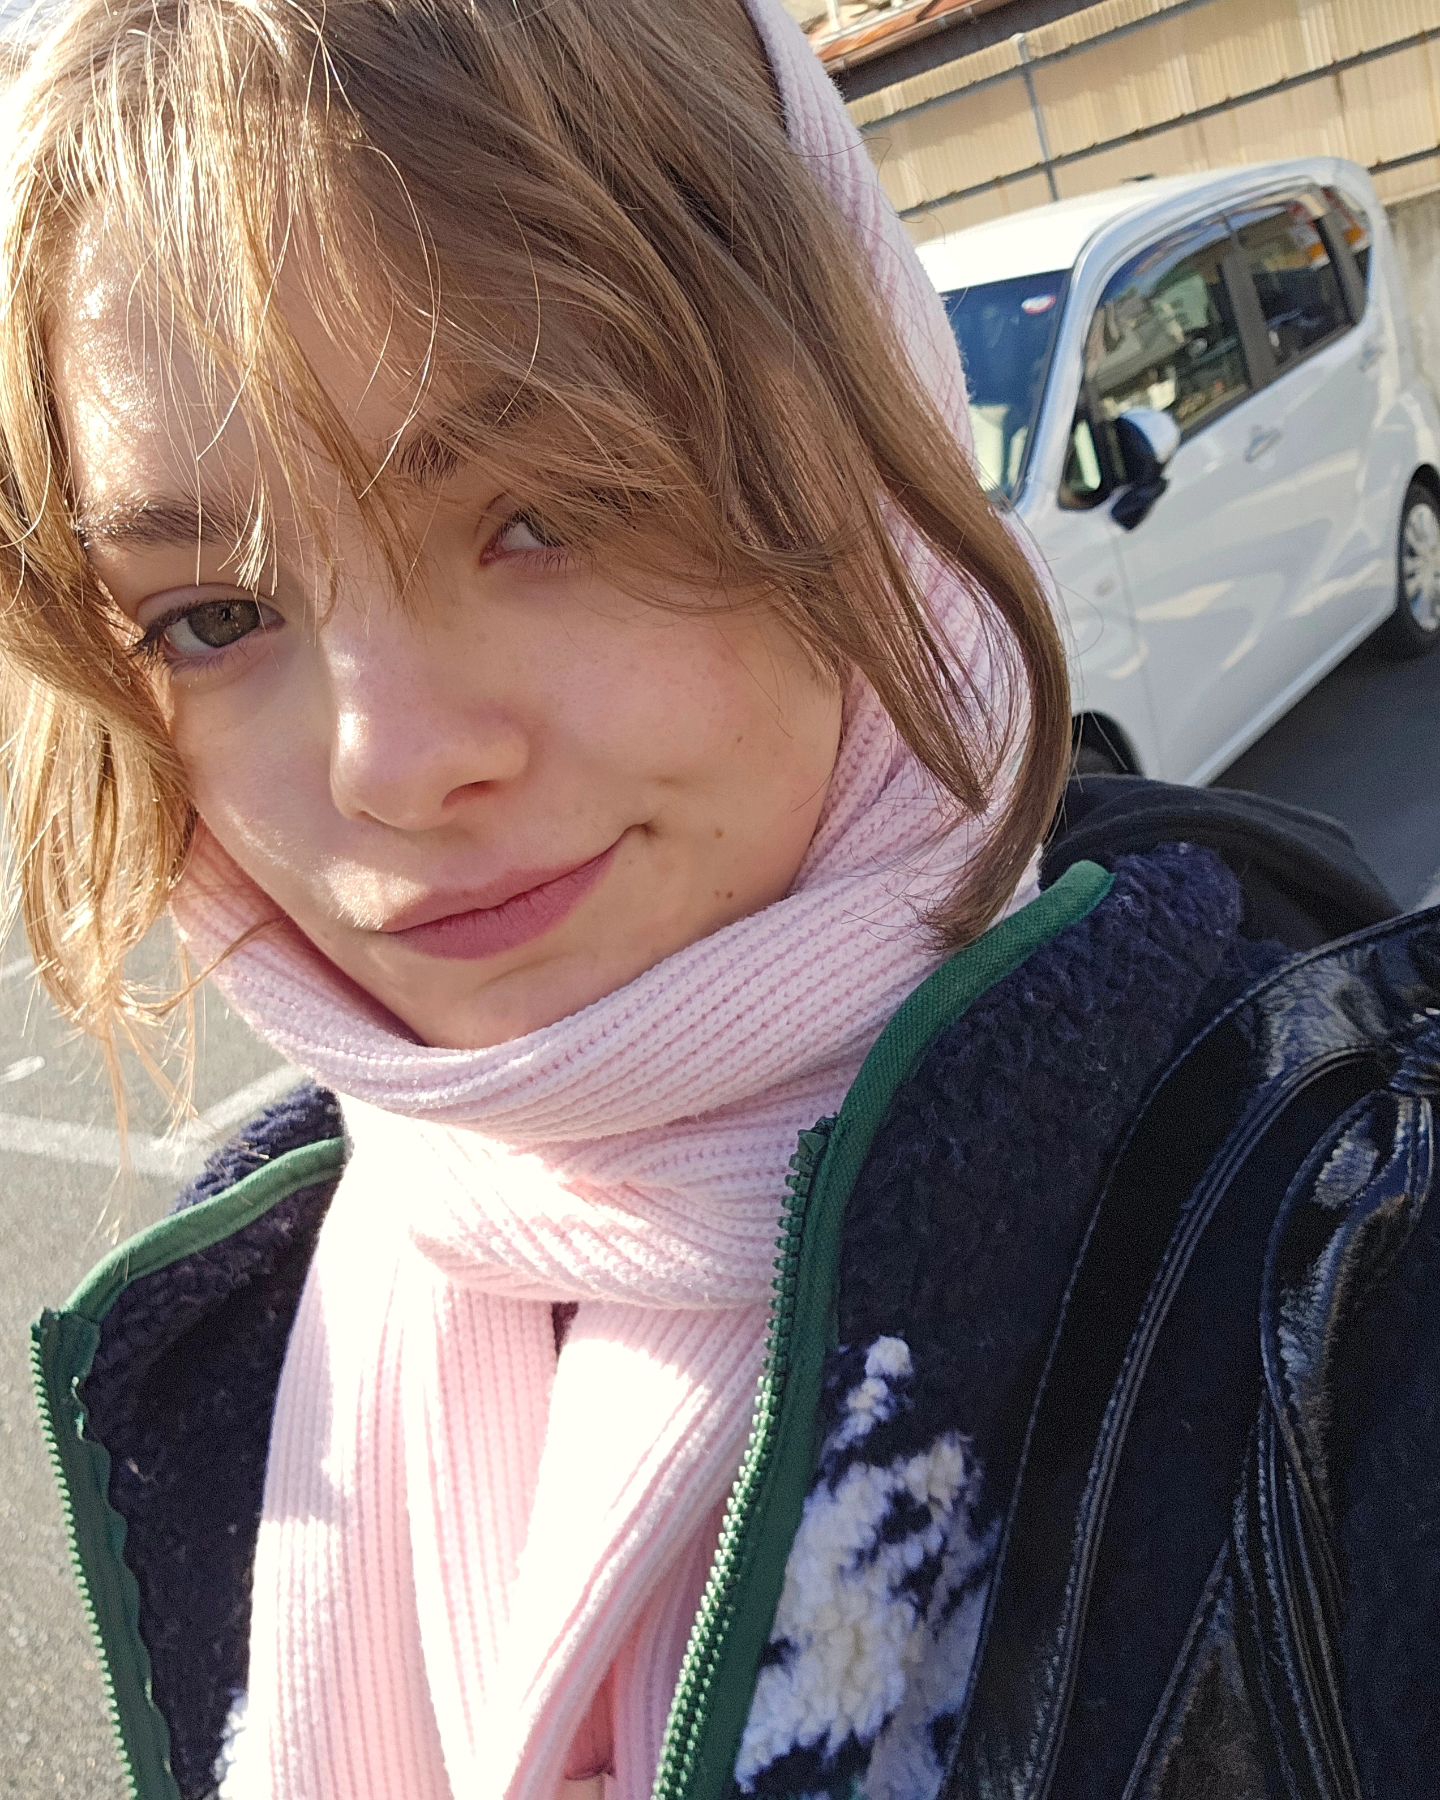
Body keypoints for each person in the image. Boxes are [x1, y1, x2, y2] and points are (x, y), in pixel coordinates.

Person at [3, 3, 1435, 1799]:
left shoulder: (1342, 1266)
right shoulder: (254, 1302)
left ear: (860, 440)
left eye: (550, 510)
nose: (389, 763)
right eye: (214, 618)